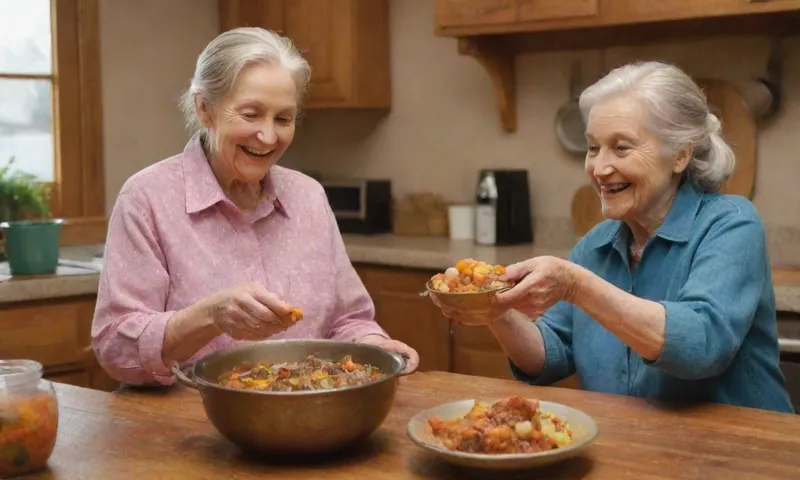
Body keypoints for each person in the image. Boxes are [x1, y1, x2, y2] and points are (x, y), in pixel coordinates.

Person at [432, 61, 793, 413]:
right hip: (635, 450)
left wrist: (577, 286)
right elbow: (551, 355)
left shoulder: (731, 223)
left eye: (622, 148)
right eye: (593, 148)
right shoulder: (596, 245)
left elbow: (700, 345)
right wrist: (495, 308)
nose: (600, 169)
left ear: (680, 155)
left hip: (741, 455)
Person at [92, 27, 419, 386]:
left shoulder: (308, 196)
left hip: (306, 420)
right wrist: (210, 316)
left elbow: (348, 320)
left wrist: (375, 346)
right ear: (204, 108)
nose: (268, 136)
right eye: (251, 114)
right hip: (182, 426)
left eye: (283, 119)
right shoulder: (147, 198)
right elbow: (115, 347)